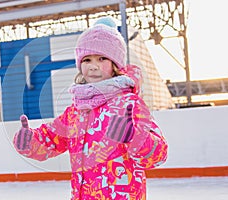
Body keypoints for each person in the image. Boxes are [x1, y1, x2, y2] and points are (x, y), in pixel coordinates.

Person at [13, 16, 168, 200]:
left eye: (101, 58)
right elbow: (51, 139)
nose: (93, 66)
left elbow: (159, 155)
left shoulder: (129, 104)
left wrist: (134, 136)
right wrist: (29, 140)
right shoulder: (76, 111)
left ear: (115, 65)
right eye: (87, 60)